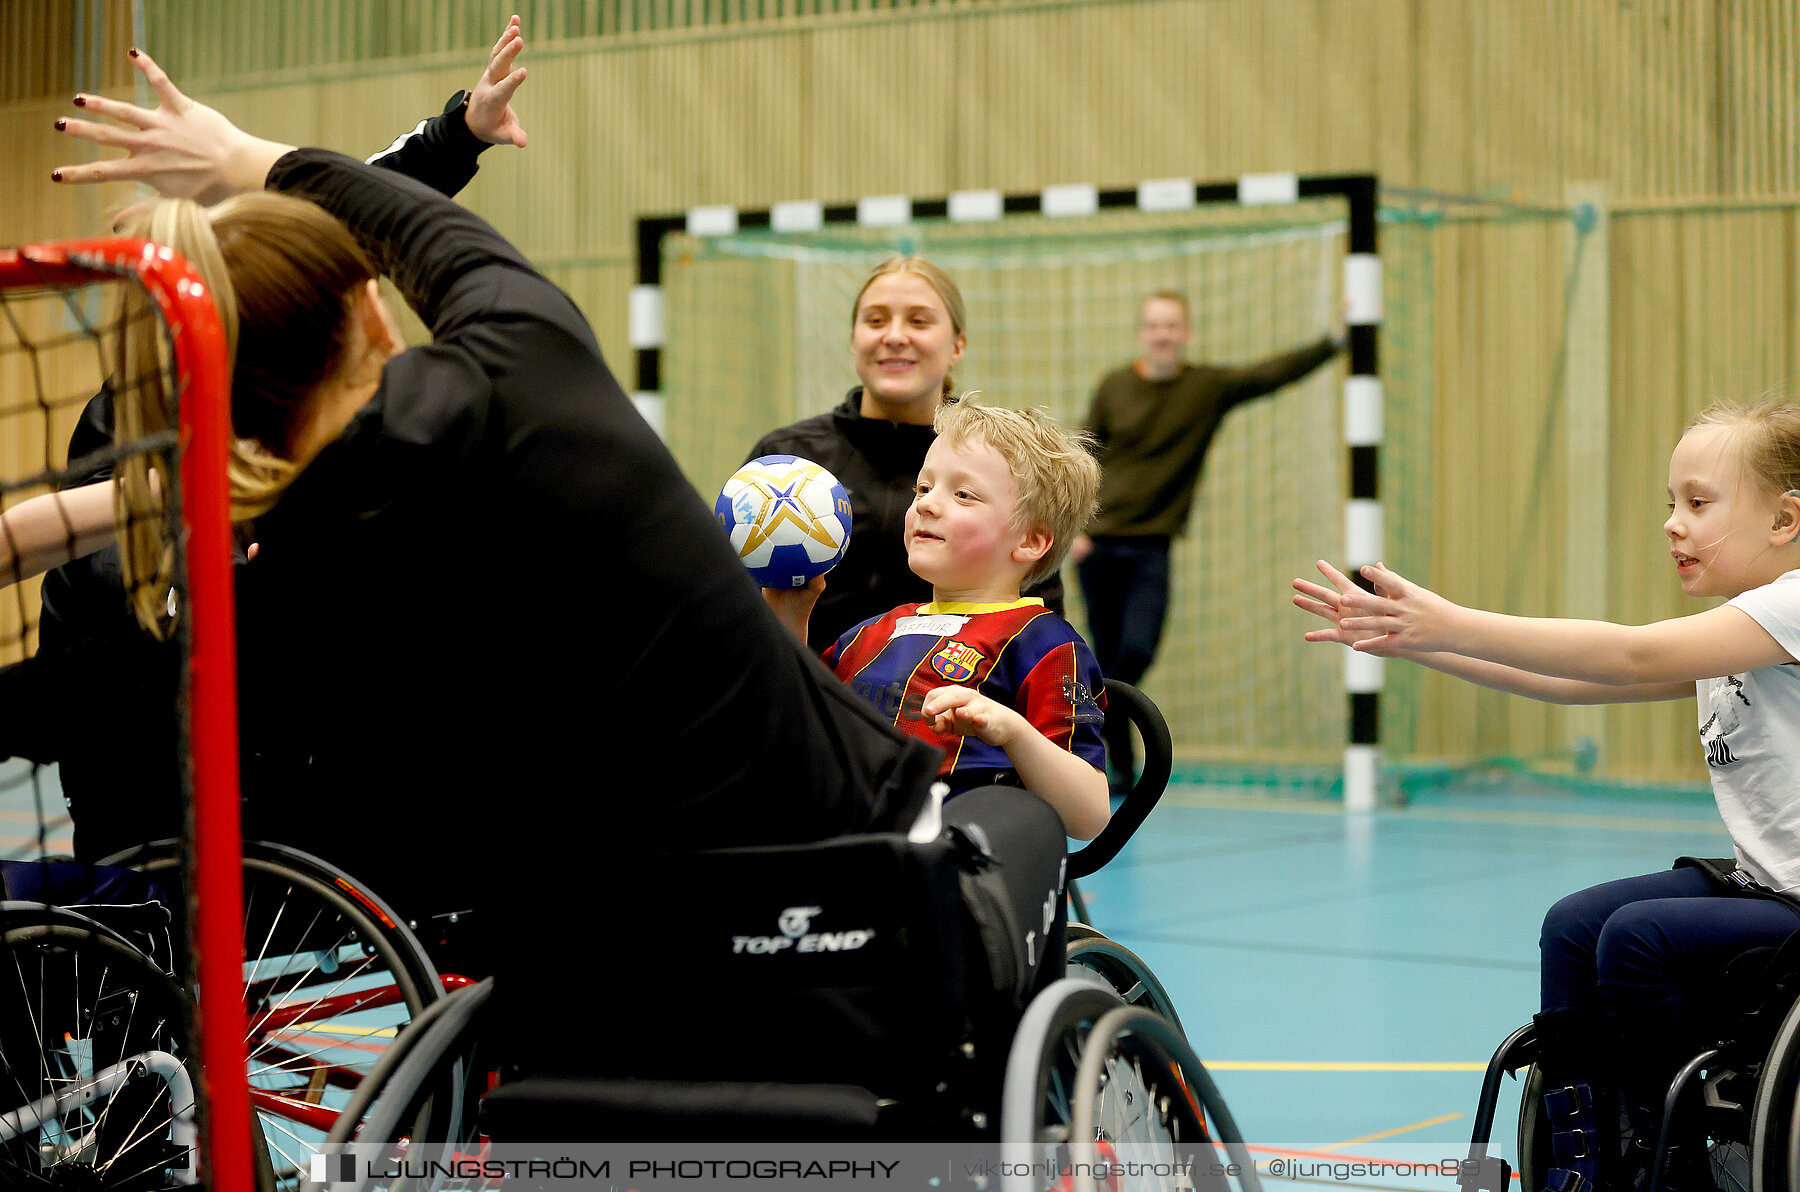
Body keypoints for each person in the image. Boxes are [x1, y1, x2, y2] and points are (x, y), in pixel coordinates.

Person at [48, 48, 942, 977]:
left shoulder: (303, 565)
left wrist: (56, 526)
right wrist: (249, 154)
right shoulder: (526, 345)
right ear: (379, 313)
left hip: (579, 902)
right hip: (830, 841)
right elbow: (404, 219)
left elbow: (95, 665)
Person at [27, 20, 535, 863]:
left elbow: (343, 214)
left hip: (284, 783)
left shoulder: (278, 389)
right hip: (143, 788)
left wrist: (457, 133)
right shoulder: (124, 429)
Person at [1293, 396, 1800, 1191]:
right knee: (1573, 926)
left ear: (1785, 520)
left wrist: (1455, 621)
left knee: (1639, 940)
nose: (1673, 522)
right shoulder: (1739, 628)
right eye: (1670, 504)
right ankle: (1583, 1157)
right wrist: (1424, 644)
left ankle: (1669, 1164)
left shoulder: (1795, 605)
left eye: (1699, 504)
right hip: (1762, 887)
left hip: (1796, 903)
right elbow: (1571, 687)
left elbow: (1629, 657)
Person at [778, 396, 1110, 842]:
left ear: (1031, 541)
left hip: (950, 872)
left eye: (963, 494)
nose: (927, 505)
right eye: (923, 488)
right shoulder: (872, 633)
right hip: (848, 849)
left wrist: (1012, 731)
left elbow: (1089, 817)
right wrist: (789, 614)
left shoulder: (1045, 644)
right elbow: (792, 725)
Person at [1078, 290, 1343, 792]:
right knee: (1109, 659)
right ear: (1142, 333)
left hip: (1152, 547)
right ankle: (1119, 770)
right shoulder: (1114, 385)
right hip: (1097, 546)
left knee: (1131, 655)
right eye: (1154, 325)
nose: (1163, 334)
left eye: (1172, 326)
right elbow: (1082, 458)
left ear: (1187, 334)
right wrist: (1073, 531)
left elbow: (1268, 375)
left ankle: (1097, 746)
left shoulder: (1206, 389)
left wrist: (1334, 342)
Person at [746, 255, 1063, 652]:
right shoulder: (785, 461)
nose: (894, 336)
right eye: (876, 321)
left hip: (948, 705)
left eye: (919, 321)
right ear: (853, 339)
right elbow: (730, 600)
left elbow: (1038, 627)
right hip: (808, 700)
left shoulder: (1004, 464)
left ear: (957, 345)